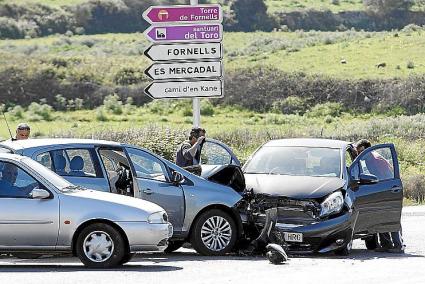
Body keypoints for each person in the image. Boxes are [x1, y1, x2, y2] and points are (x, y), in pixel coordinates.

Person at [355, 139, 405, 253]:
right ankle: (386, 244)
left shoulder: (377, 161)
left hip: (388, 191)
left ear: (368, 149)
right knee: (380, 218)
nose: (359, 154)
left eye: (361, 151)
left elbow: (387, 177)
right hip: (380, 191)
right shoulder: (368, 159)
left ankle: (398, 245)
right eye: (358, 152)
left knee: (391, 218)